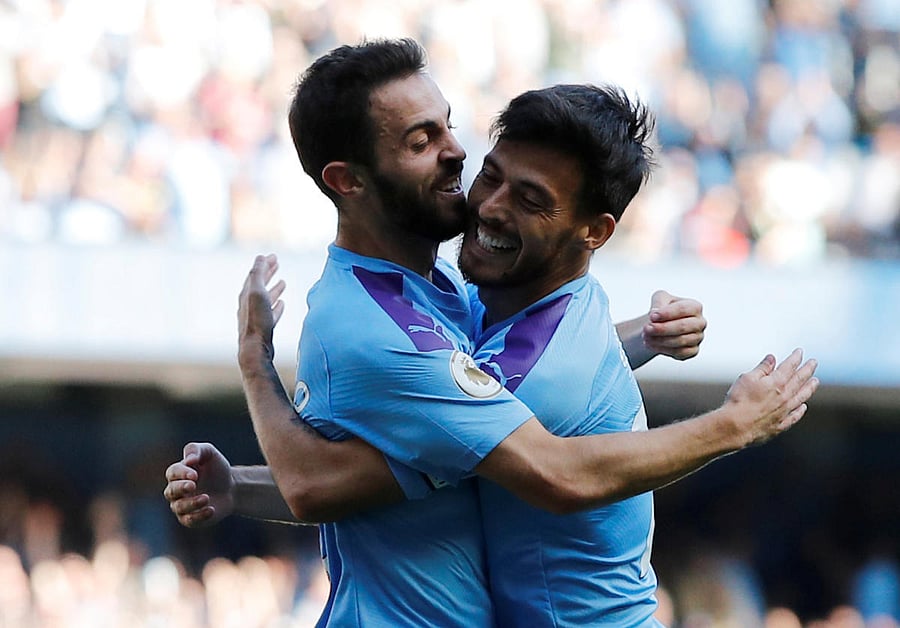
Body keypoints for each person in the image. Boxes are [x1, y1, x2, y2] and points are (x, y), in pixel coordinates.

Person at [165, 38, 818, 627]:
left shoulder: (456, 296)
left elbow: (507, 420)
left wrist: (659, 353)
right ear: (348, 180)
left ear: (595, 232)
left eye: (447, 128)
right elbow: (327, 484)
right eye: (424, 142)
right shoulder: (389, 327)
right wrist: (727, 422)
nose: (459, 159)